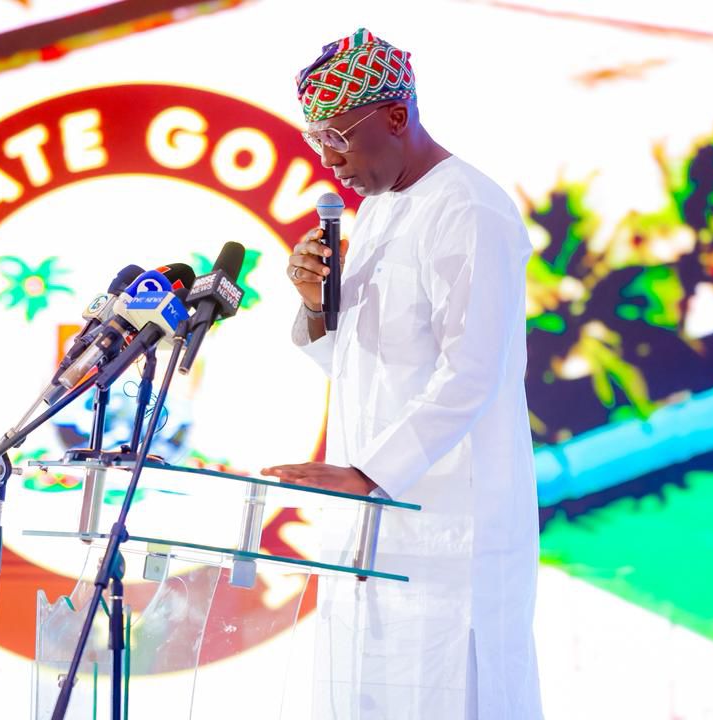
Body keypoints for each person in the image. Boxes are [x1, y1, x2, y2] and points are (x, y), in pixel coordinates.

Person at [260, 29, 544, 719]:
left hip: (451, 527)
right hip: (376, 521)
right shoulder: (378, 211)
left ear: (395, 117)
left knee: (452, 695)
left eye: (337, 138)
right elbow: (363, 366)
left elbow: (471, 373)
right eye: (315, 141)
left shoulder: (469, 208)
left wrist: (369, 473)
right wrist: (315, 306)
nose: (329, 161)